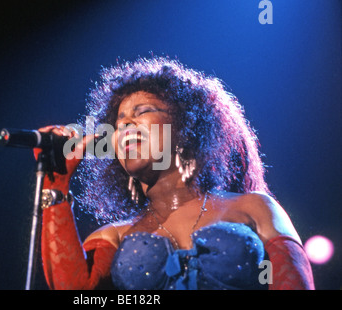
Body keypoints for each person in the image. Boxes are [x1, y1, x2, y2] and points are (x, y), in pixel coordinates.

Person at [35, 56, 315, 290]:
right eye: (118, 122)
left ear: (184, 130)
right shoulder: (114, 236)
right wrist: (56, 182)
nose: (125, 124)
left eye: (142, 112)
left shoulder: (255, 207)